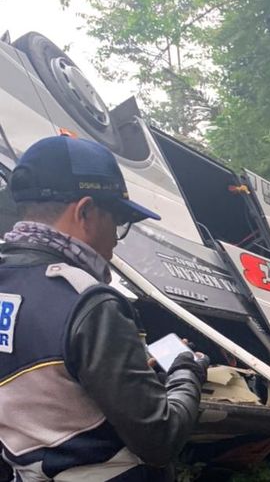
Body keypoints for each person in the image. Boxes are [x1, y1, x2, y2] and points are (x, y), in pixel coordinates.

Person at [0, 136, 208, 481]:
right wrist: (188, 371)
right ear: (84, 212)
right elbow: (159, 439)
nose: (116, 238)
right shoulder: (88, 302)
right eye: (118, 220)